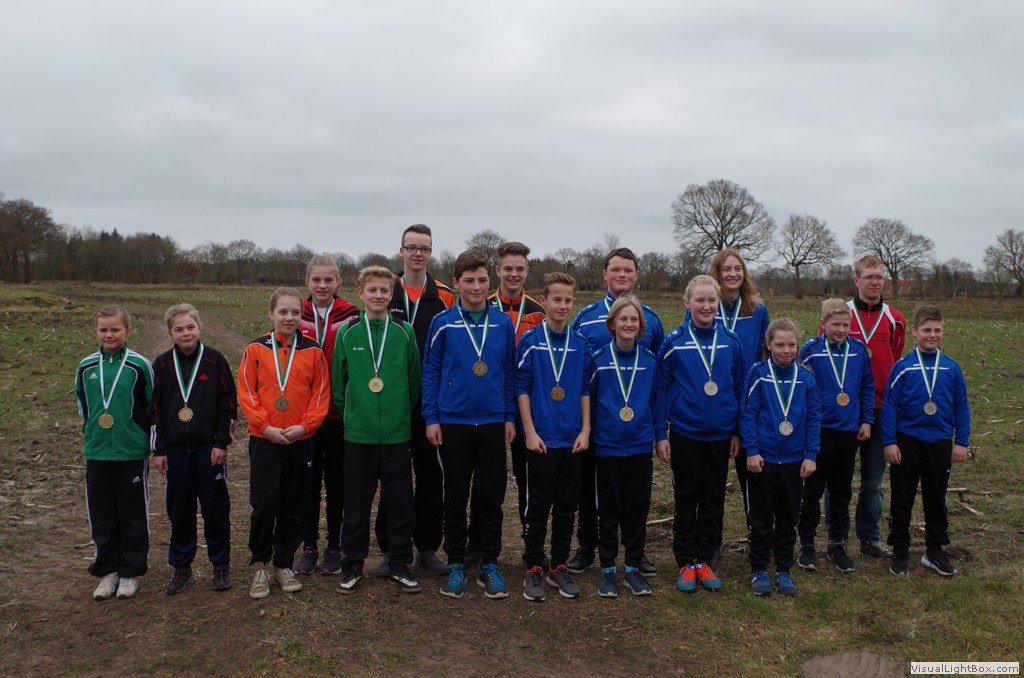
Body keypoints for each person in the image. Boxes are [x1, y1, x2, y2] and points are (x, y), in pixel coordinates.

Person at [422, 250, 516, 599]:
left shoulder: (502, 323)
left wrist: (509, 416)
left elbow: (509, 372)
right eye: (469, 280)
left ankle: (489, 563)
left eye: (482, 280)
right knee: (455, 494)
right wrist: (432, 417)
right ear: (457, 282)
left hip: (492, 420)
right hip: (453, 420)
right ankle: (457, 564)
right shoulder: (443, 322)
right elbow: (431, 371)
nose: (476, 287)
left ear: (489, 281)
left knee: (491, 495)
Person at [568, 247, 663, 576]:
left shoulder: (650, 319)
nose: (622, 275)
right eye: (616, 270)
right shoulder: (586, 317)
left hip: (635, 427)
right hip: (598, 425)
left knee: (635, 495)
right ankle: (587, 546)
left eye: (628, 270)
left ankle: (636, 553)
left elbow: (655, 371)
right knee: (592, 492)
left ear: (636, 275)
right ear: (605, 274)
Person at [332, 266, 422, 595]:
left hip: (397, 435)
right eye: (372, 290)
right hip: (359, 435)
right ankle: (352, 565)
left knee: (399, 502)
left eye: (384, 290)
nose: (378, 295)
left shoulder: (404, 332)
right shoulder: (347, 332)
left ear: (391, 294)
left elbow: (413, 380)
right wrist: (356, 415)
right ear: (361, 293)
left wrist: (399, 414)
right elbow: (338, 385)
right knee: (357, 502)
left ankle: (399, 563)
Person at [656, 275, 745, 593]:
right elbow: (661, 389)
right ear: (687, 303)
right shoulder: (675, 342)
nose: (706, 306)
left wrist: (736, 431)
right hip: (685, 432)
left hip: (720, 434)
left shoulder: (731, 341)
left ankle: (705, 560)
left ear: (718, 303)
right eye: (700, 300)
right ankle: (685, 561)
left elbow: (739, 387)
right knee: (686, 496)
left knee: (713, 496)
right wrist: (661, 433)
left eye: (711, 300)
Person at [239, 287, 329, 599]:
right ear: (271, 313)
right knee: (265, 502)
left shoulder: (313, 351)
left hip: (300, 438)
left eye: (295, 312)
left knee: (295, 502)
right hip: (264, 437)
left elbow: (320, 394)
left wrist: (305, 426)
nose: (289, 317)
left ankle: (283, 563)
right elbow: (247, 392)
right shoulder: (255, 349)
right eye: (283, 312)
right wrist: (265, 427)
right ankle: (260, 563)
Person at [377, 224, 456, 577]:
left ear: (431, 252)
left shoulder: (444, 296)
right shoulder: (385, 291)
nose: (418, 253)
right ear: (401, 251)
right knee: (392, 478)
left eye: (424, 248)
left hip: (431, 403)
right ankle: (391, 549)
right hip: (392, 401)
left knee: (430, 476)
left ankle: (426, 547)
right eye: (412, 247)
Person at [152, 303, 238, 594]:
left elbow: (228, 404)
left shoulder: (214, 360)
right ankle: (182, 567)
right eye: (179, 329)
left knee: (215, 509)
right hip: (176, 452)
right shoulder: (162, 364)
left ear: (199, 327)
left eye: (190, 327)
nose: (186, 333)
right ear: (170, 332)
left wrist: (221, 442)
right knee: (179, 511)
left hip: (209, 451)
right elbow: (156, 409)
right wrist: (159, 449)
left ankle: (220, 564)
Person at [516, 272, 591, 602]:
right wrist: (529, 431)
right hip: (541, 440)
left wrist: (586, 429)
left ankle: (559, 565)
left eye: (568, 300)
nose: (562, 305)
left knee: (566, 508)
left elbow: (585, 389)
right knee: (537, 507)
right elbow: (521, 387)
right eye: (556, 299)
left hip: (572, 440)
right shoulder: (531, 341)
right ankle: (534, 566)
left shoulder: (581, 344)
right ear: (543, 300)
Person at [74, 305, 154, 601]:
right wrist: (92, 430)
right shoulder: (86, 367)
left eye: (115, 329)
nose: (109, 335)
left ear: (127, 331)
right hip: (97, 450)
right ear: (96, 331)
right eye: (103, 329)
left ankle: (130, 571)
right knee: (101, 514)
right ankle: (108, 570)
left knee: (132, 514)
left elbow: (151, 406)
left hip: (130, 450)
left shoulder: (140, 366)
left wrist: (144, 438)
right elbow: (83, 404)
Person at [882, 306, 970, 577]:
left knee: (936, 497)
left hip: (940, 442)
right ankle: (899, 549)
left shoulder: (951, 368)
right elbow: (889, 406)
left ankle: (934, 550)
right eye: (927, 330)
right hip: (907, 442)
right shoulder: (903, 367)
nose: (932, 335)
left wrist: (961, 441)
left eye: (937, 330)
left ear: (943, 332)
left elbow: (961, 406)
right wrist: (889, 441)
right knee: (902, 497)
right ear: (915, 332)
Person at [740, 318, 820, 596]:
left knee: (788, 517)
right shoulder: (758, 374)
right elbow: (748, 414)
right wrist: (752, 450)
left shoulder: (806, 377)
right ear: (768, 344)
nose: (786, 350)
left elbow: (814, 418)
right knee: (760, 517)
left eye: (791, 345)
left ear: (798, 346)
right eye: (780, 345)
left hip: (795, 460)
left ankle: (784, 569)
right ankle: (759, 568)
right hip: (763, 458)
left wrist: (811, 454)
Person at [836, 255, 906, 560]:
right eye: (869, 277)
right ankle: (836, 538)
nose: (875, 282)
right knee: (837, 480)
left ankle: (869, 537)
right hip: (843, 410)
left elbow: (894, 358)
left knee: (873, 482)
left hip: (879, 409)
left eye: (879, 276)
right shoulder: (840, 314)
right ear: (857, 280)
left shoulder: (895, 319)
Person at [796, 299, 874, 573]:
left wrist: (866, 420)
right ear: (823, 324)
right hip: (819, 431)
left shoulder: (859, 351)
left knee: (841, 490)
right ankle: (807, 543)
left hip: (848, 430)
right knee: (812, 489)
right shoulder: (810, 351)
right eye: (835, 324)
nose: (841, 330)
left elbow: (867, 386)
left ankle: (836, 542)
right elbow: (799, 388)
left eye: (845, 325)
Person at [590, 297, 659, 597]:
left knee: (637, 507)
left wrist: (657, 435)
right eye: (623, 319)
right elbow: (591, 401)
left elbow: (656, 401)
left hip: (640, 445)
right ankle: (608, 569)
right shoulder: (598, 360)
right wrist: (597, 431)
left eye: (634, 319)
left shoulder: (650, 361)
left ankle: (632, 567)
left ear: (641, 325)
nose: (628, 324)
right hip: (608, 446)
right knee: (608, 508)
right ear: (612, 324)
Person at [295, 254, 358, 577]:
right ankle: (308, 546)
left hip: (337, 414)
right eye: (316, 279)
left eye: (328, 280)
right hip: (304, 416)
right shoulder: (295, 313)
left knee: (337, 484)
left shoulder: (351, 315)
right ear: (307, 280)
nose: (322, 285)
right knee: (307, 484)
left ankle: (335, 546)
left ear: (338, 282)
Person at [703, 249, 771, 514]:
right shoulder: (706, 306)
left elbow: (764, 355)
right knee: (711, 479)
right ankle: (711, 534)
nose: (732, 274)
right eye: (726, 269)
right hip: (715, 401)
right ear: (717, 274)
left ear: (744, 273)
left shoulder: (758, 310)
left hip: (748, 402)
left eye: (737, 268)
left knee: (752, 474)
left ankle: (757, 532)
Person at [488, 241, 545, 532]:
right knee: (489, 473)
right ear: (497, 270)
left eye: (519, 269)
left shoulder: (538, 311)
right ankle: (483, 538)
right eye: (508, 268)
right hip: (490, 399)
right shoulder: (484, 306)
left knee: (527, 473)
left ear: (527, 271)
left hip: (526, 401)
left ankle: (529, 532)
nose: (514, 274)